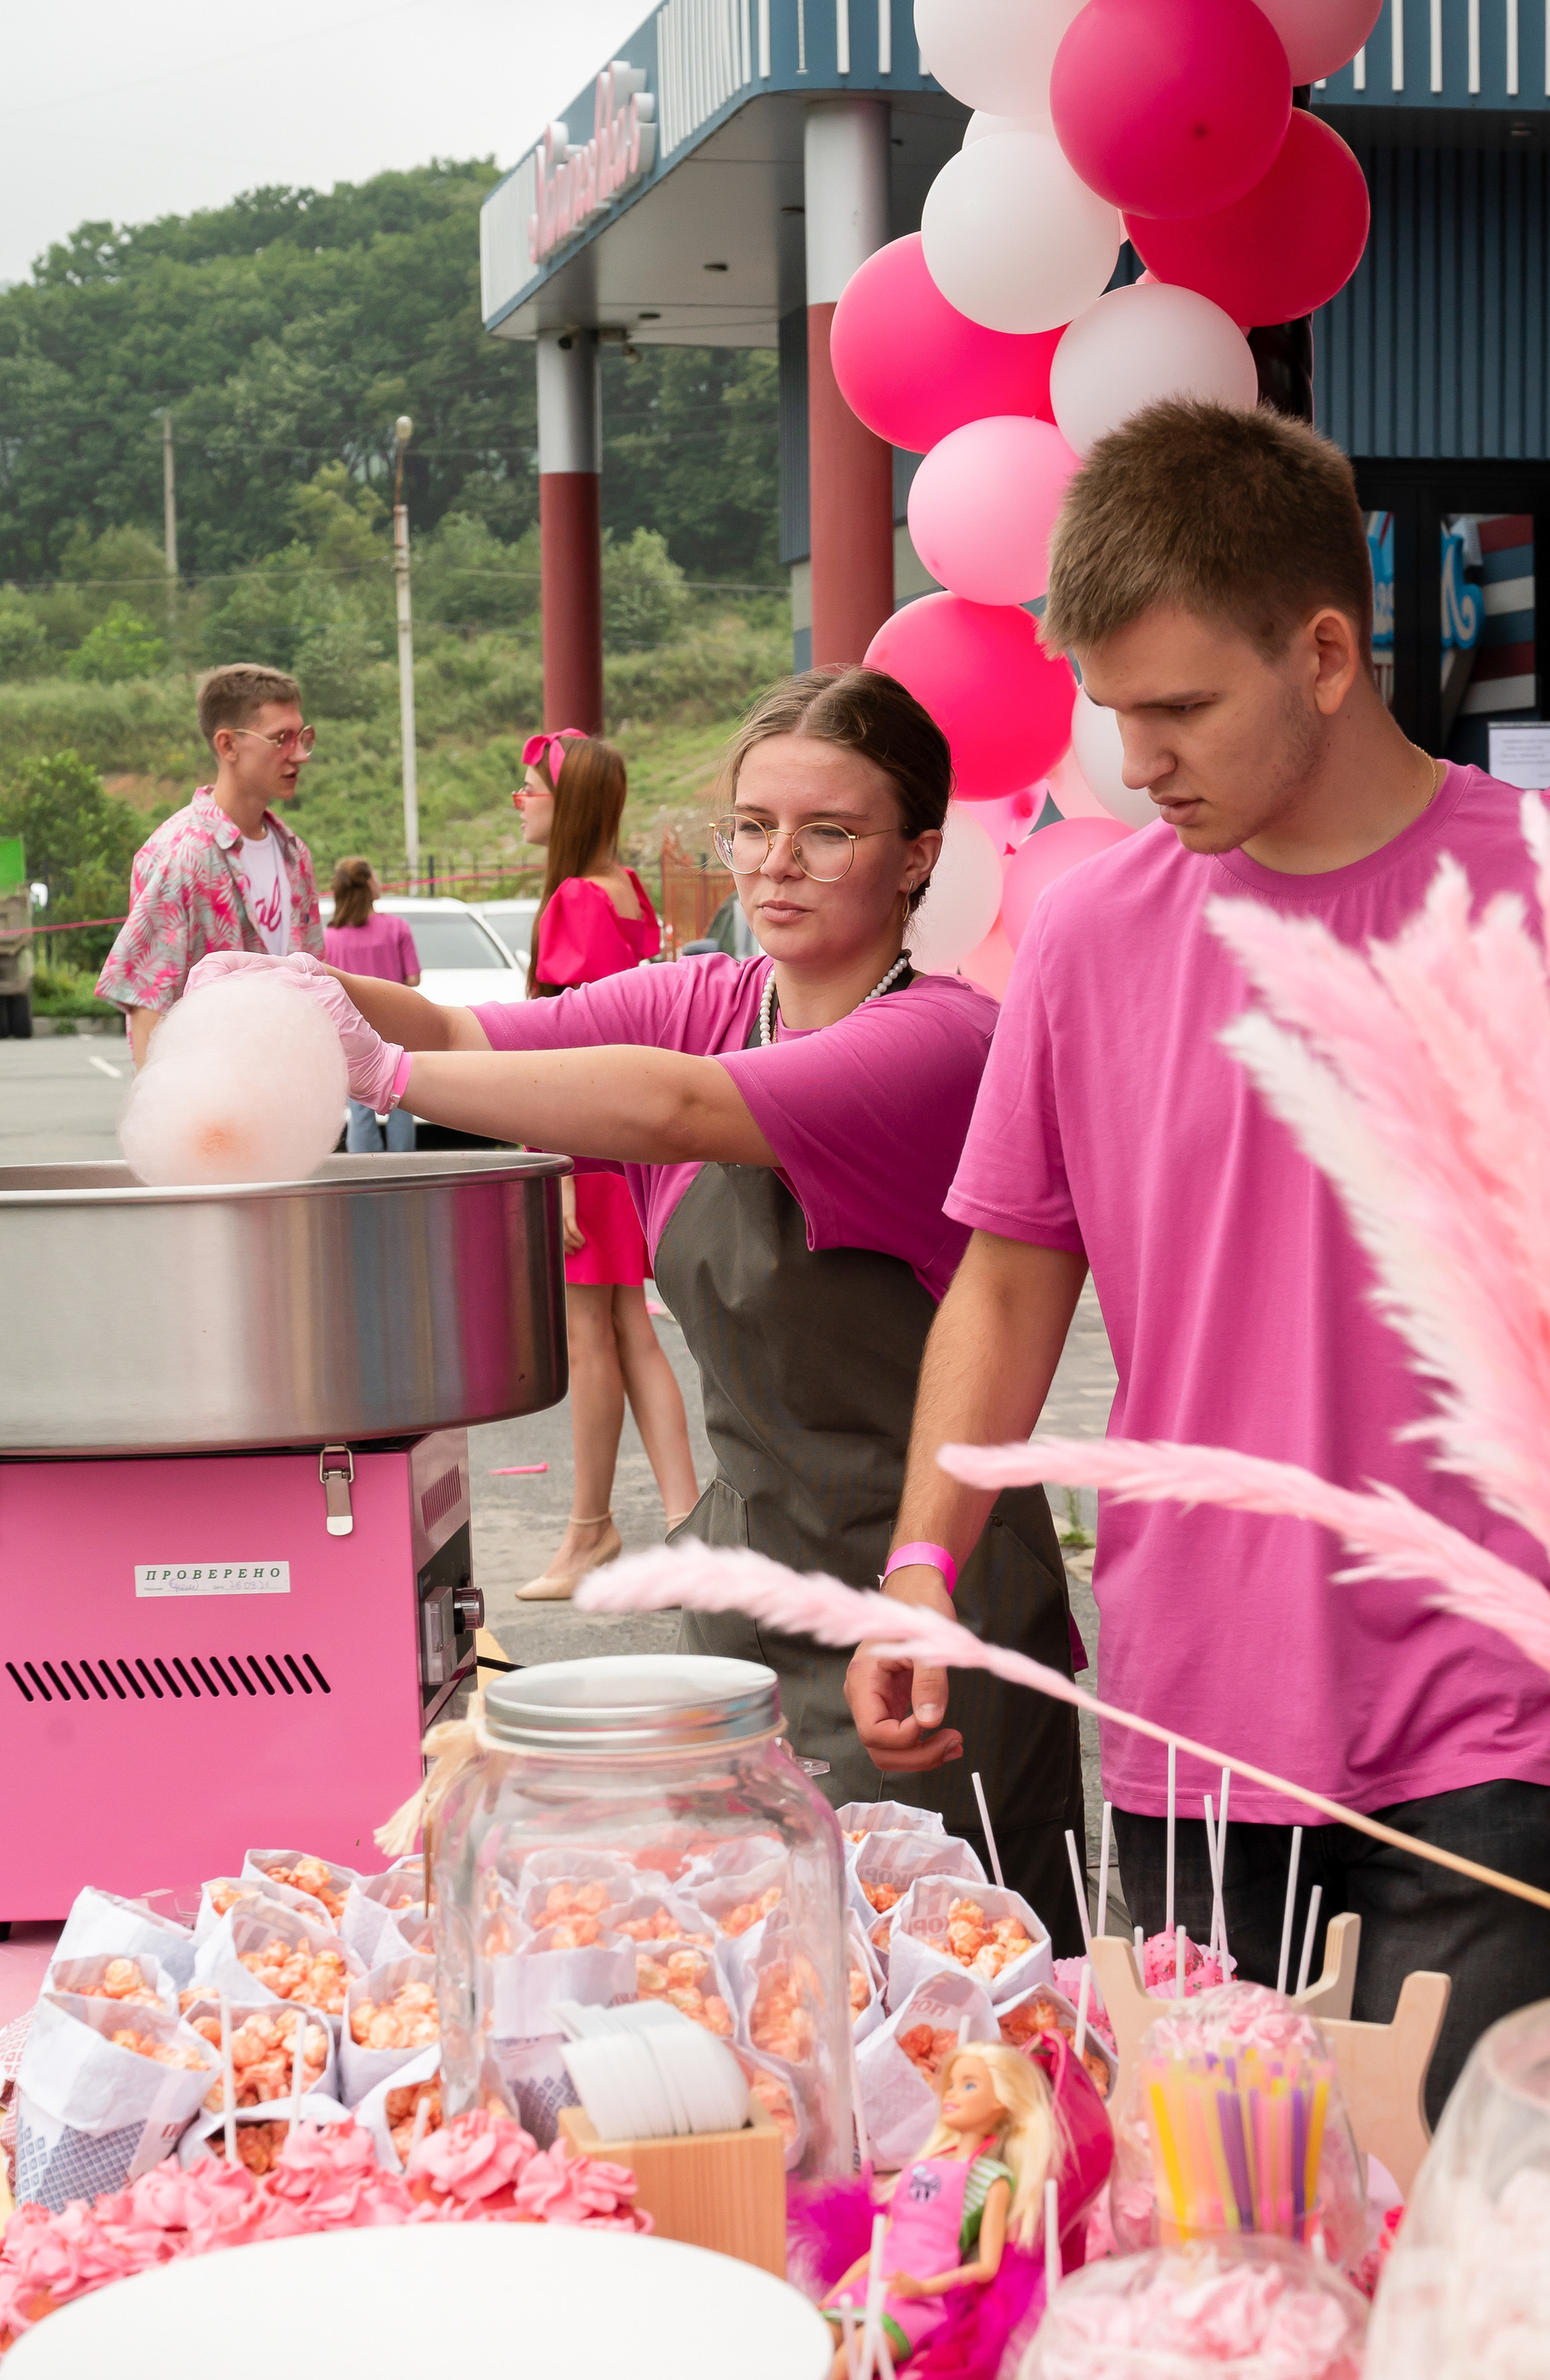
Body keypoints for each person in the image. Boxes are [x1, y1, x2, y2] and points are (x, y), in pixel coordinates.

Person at [846, 401, 1550, 2123]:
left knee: (1447, 2237)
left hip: (1502, 1708)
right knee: (1226, 2229)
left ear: (1326, 651)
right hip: (1195, 1714)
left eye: (1181, 706)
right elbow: (1006, 1279)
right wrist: (921, 1564)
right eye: (1114, 716)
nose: (1141, 762)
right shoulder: (1092, 930)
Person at [243, 668, 1083, 1913]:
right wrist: (283, 988)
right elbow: (477, 1033)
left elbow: (679, 1105)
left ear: (918, 858)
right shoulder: (716, 1001)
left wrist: (386, 1070)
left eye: (830, 831)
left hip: (920, 1590)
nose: (776, 863)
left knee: (943, 1998)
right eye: (753, 827)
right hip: (749, 1583)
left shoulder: (944, 1043)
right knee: (770, 1976)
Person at [500, 730, 702, 1598]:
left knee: (597, 1338)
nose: (521, 801)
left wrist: (550, 1159)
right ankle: (682, 1528)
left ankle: (590, 1531)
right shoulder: (625, 893)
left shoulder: (575, 899)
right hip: (621, 1146)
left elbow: (571, 1044)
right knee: (631, 1333)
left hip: (583, 1146)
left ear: (568, 801)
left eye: (530, 788)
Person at [96, 665, 322, 1064]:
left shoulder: (294, 855)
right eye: (280, 740)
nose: (300, 754)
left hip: (290, 1093)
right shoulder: (181, 855)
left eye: (302, 737)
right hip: (210, 1104)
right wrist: (164, 1117)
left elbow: (316, 981)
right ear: (227, 745)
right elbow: (150, 1004)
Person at [820, 2042, 1054, 2380]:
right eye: (953, 2084)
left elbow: (986, 2267)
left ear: (1001, 2102)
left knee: (854, 2354)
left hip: (919, 2298)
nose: (953, 2094)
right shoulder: (921, 2166)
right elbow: (884, 2245)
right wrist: (834, 2294)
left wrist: (922, 2288)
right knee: (818, 2339)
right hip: (875, 2281)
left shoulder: (992, 2181)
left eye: (969, 2085)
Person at [321, 859, 419, 1152]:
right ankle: (404, 1169)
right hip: (396, 1022)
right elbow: (413, 977)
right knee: (403, 1097)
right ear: (368, 885)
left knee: (360, 1104)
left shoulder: (330, 938)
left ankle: (366, 1169)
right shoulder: (396, 928)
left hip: (352, 1027)